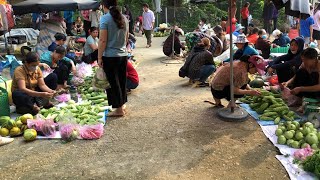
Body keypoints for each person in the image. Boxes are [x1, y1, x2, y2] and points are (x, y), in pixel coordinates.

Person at [98, 0, 129, 117]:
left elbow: (102, 40)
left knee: (113, 83)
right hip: (123, 55)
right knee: (121, 81)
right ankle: (122, 105)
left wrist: (99, 57)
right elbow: (126, 39)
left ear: (103, 6)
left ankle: (119, 109)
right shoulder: (124, 18)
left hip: (110, 56)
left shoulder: (105, 19)